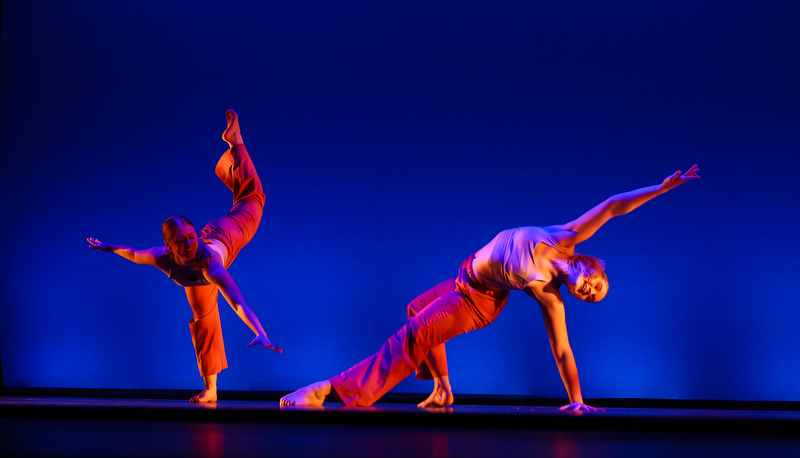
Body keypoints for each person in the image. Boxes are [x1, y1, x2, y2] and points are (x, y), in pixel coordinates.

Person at [280, 165, 701, 411]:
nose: (589, 293)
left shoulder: (549, 294)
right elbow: (613, 206)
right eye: (595, 285)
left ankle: (332, 390)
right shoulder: (567, 236)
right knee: (415, 310)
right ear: (587, 266)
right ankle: (443, 388)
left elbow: (562, 350)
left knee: (415, 334)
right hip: (464, 277)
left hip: (478, 302)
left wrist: (576, 399)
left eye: (590, 297)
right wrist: (662, 188)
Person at [88, 110, 282, 402]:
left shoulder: (211, 265)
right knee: (203, 321)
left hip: (224, 234)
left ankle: (236, 142)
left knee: (253, 198)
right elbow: (134, 253)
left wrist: (259, 330)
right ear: (169, 246)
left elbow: (237, 302)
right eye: (182, 241)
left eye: (191, 237)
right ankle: (210, 390)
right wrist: (109, 247)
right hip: (194, 278)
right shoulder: (161, 257)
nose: (189, 243)